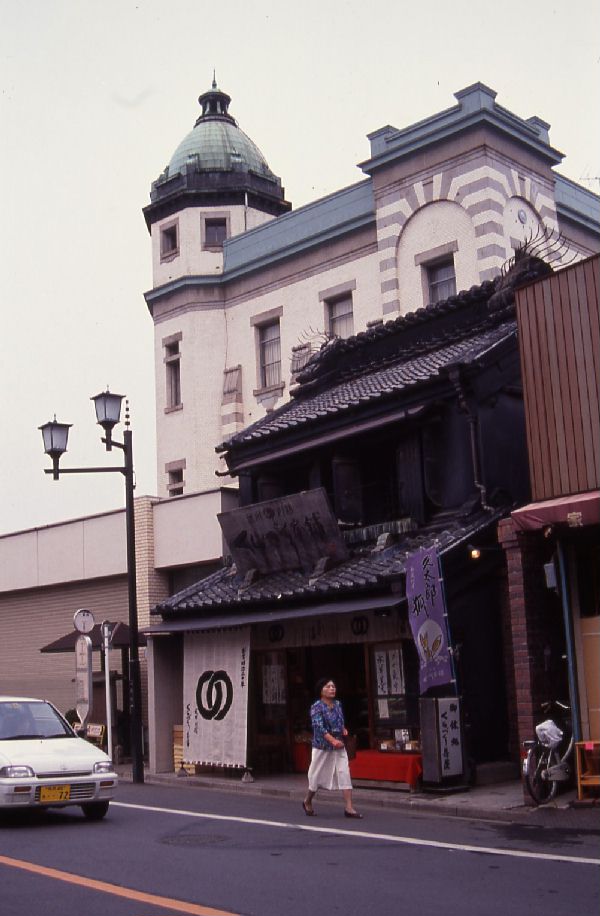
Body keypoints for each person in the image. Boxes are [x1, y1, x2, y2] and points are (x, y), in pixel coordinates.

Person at [303, 678, 362, 819]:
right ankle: (307, 800)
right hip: (322, 747)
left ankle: (349, 807)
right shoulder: (316, 707)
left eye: (333, 686)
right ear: (321, 690)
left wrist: (343, 729)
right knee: (315, 776)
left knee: (344, 773)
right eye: (328, 686)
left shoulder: (338, 704)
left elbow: (340, 721)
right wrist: (332, 740)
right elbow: (319, 727)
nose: (332, 689)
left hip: (339, 746)